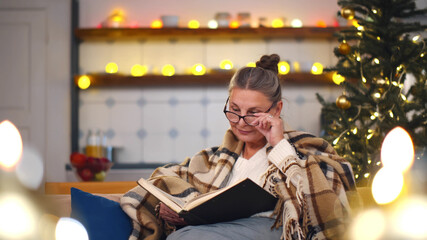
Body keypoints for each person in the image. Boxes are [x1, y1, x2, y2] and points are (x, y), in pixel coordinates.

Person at [121, 54, 358, 240]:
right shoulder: (214, 158)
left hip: (274, 228)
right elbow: (167, 181)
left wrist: (278, 145)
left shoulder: (303, 150)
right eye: (234, 109)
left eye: (253, 113)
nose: (240, 121)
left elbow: (324, 208)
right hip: (214, 230)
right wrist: (177, 209)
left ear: (276, 110)